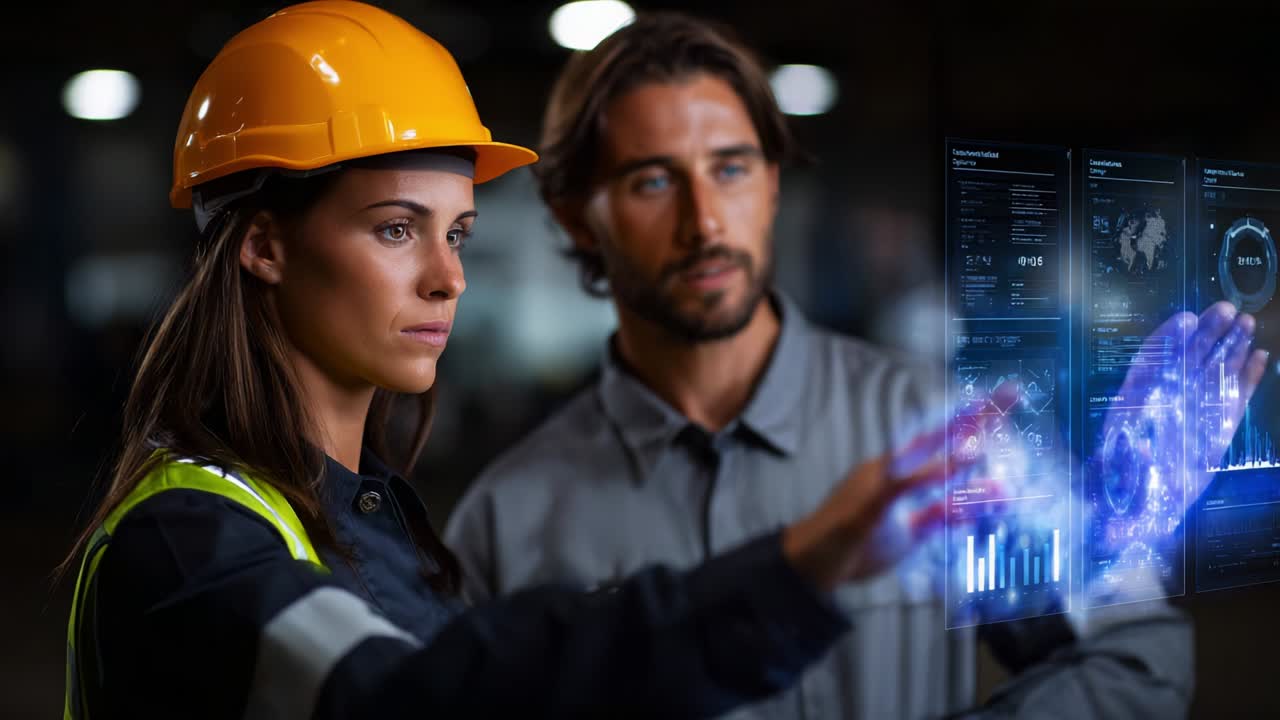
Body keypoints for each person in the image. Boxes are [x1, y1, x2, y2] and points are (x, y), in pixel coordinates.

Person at [58, 3, 983, 718]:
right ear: (263, 246)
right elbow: (409, 699)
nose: (448, 278)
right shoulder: (183, 543)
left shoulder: (373, 519)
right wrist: (790, 575)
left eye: (456, 232)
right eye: (396, 229)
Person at [444, 12, 1263, 718]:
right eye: (653, 181)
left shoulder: (944, 435)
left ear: (772, 184)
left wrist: (1117, 529)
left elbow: (1133, 657)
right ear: (575, 216)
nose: (705, 221)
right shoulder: (505, 523)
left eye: (731, 168)